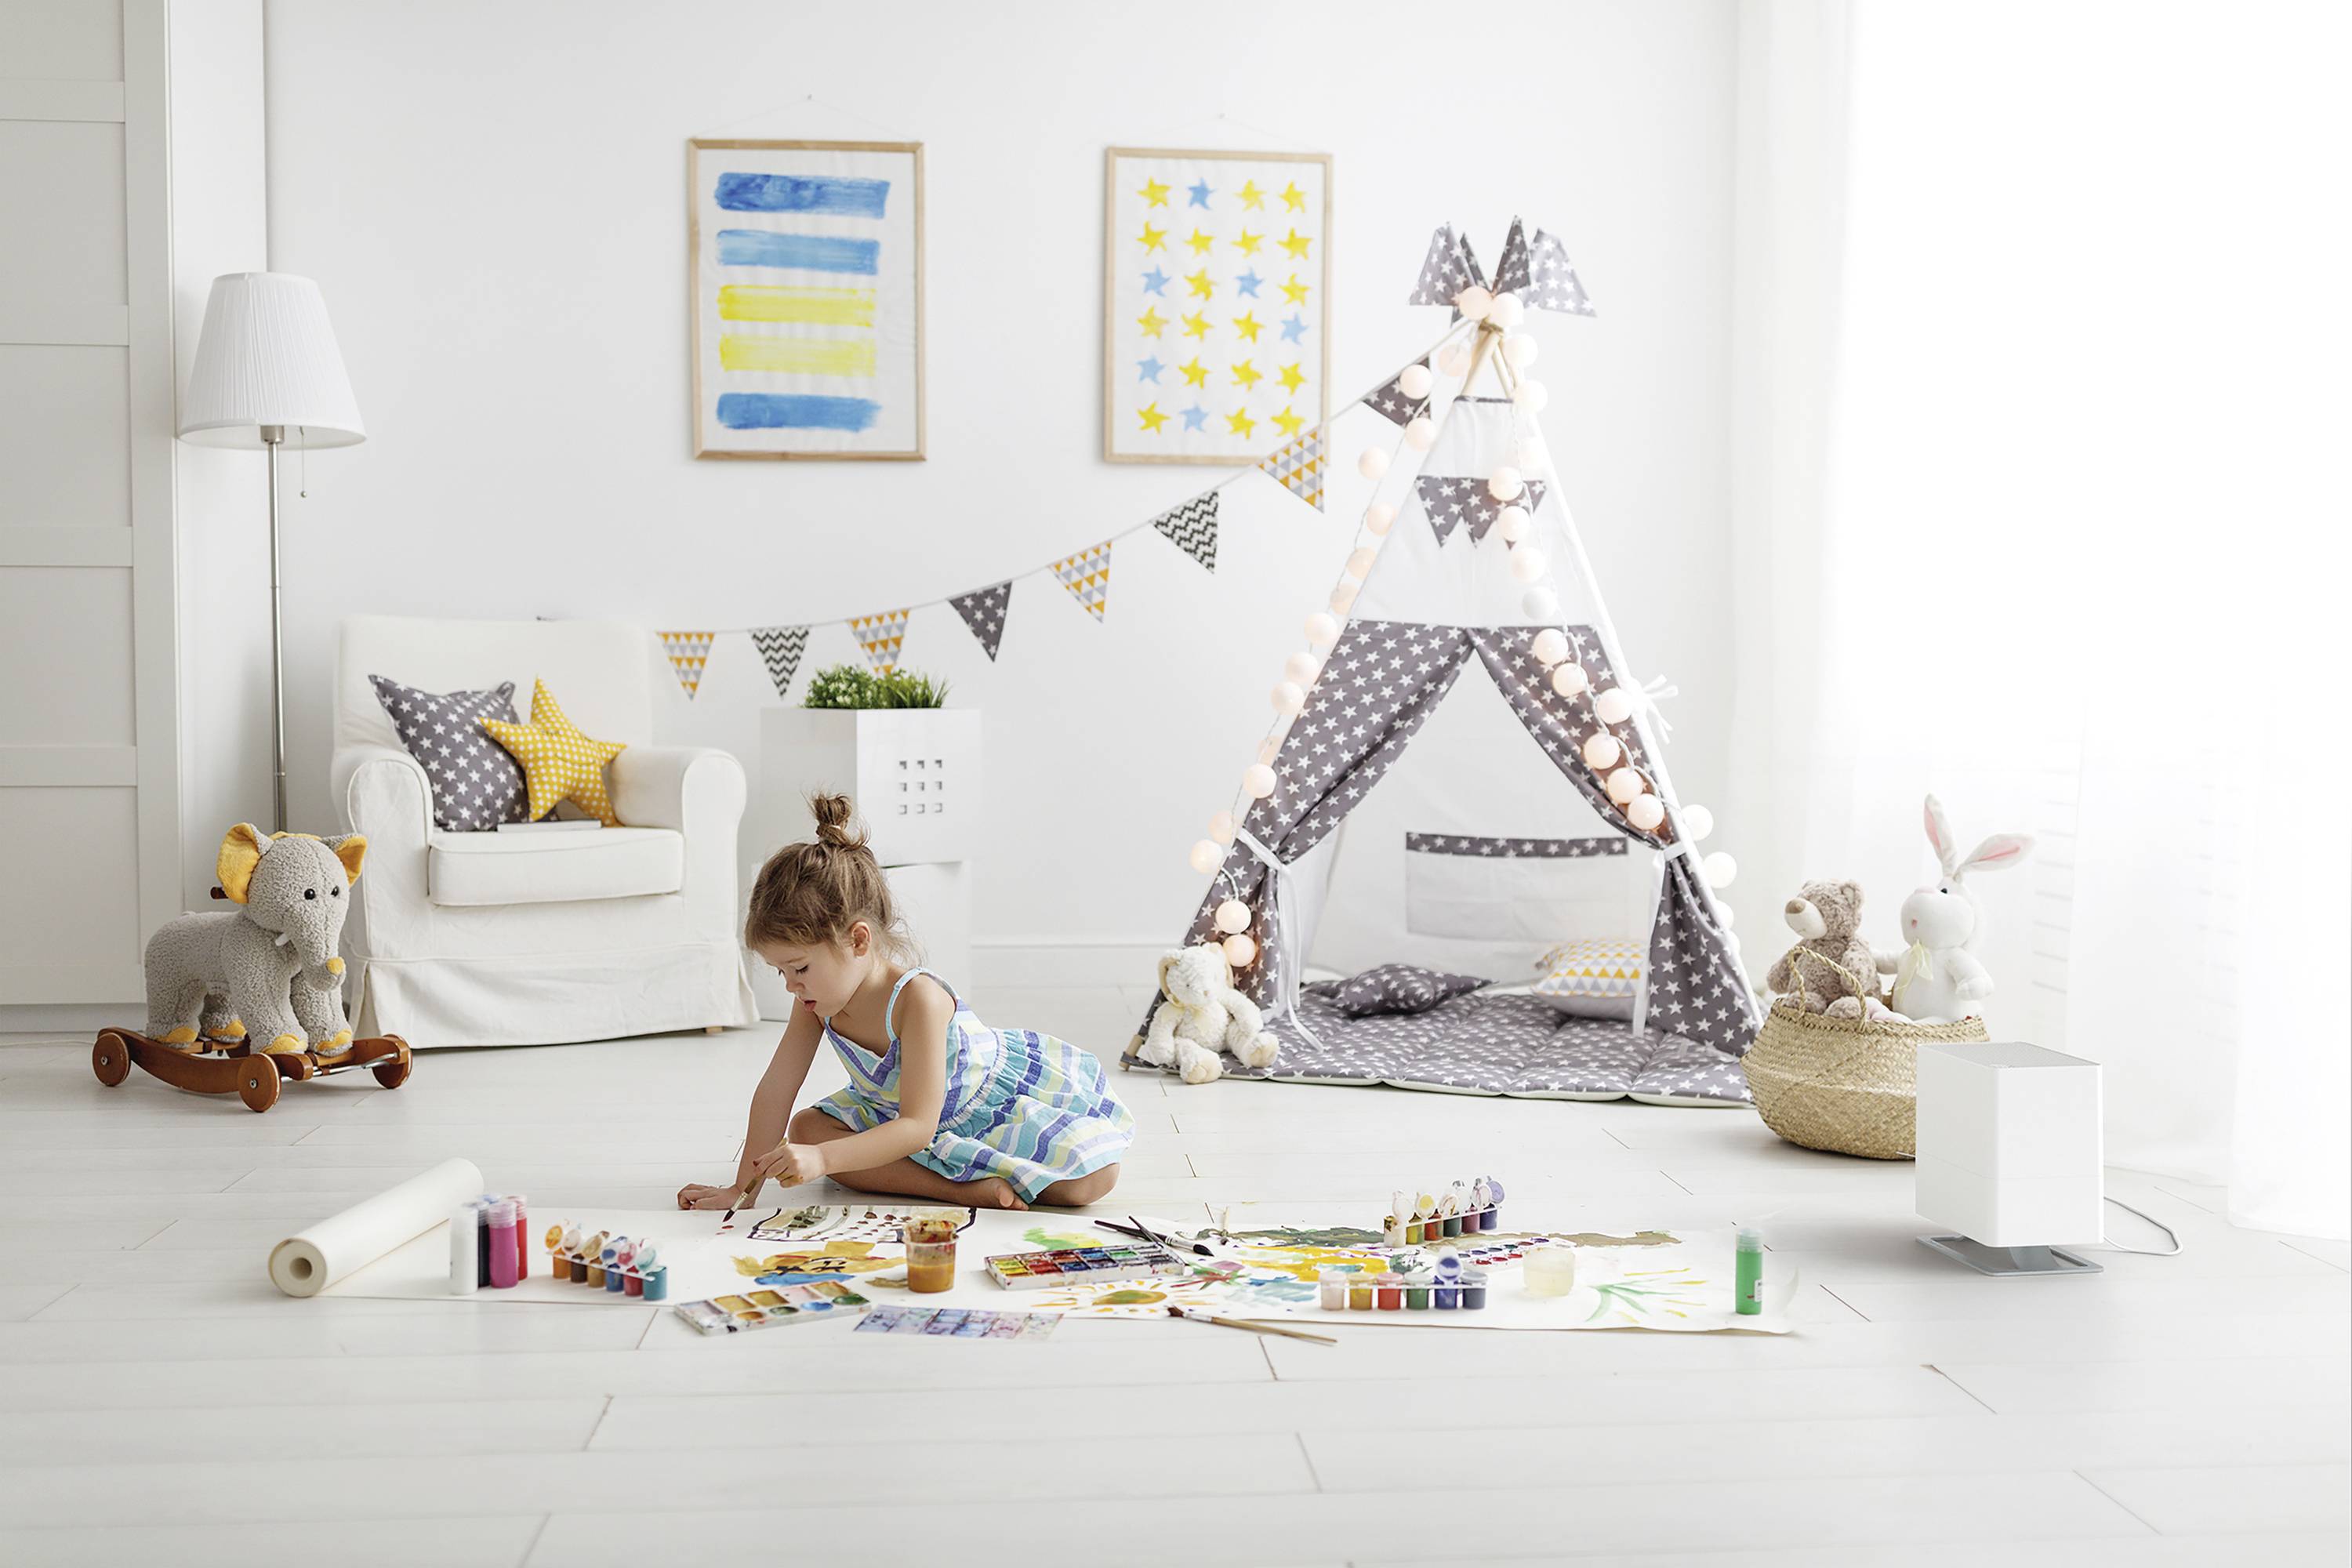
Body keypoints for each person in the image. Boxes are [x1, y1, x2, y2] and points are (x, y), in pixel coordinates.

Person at [678, 794, 1132, 1214]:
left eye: (799, 968)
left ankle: (969, 1173)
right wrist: (742, 1191)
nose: (791, 987)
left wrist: (825, 1159)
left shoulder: (919, 999)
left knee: (1090, 1182)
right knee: (806, 1130)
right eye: (782, 973)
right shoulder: (814, 1002)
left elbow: (918, 1124)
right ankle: (962, 1191)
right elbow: (777, 1087)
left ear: (858, 940)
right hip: (895, 1116)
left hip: (967, 1111)